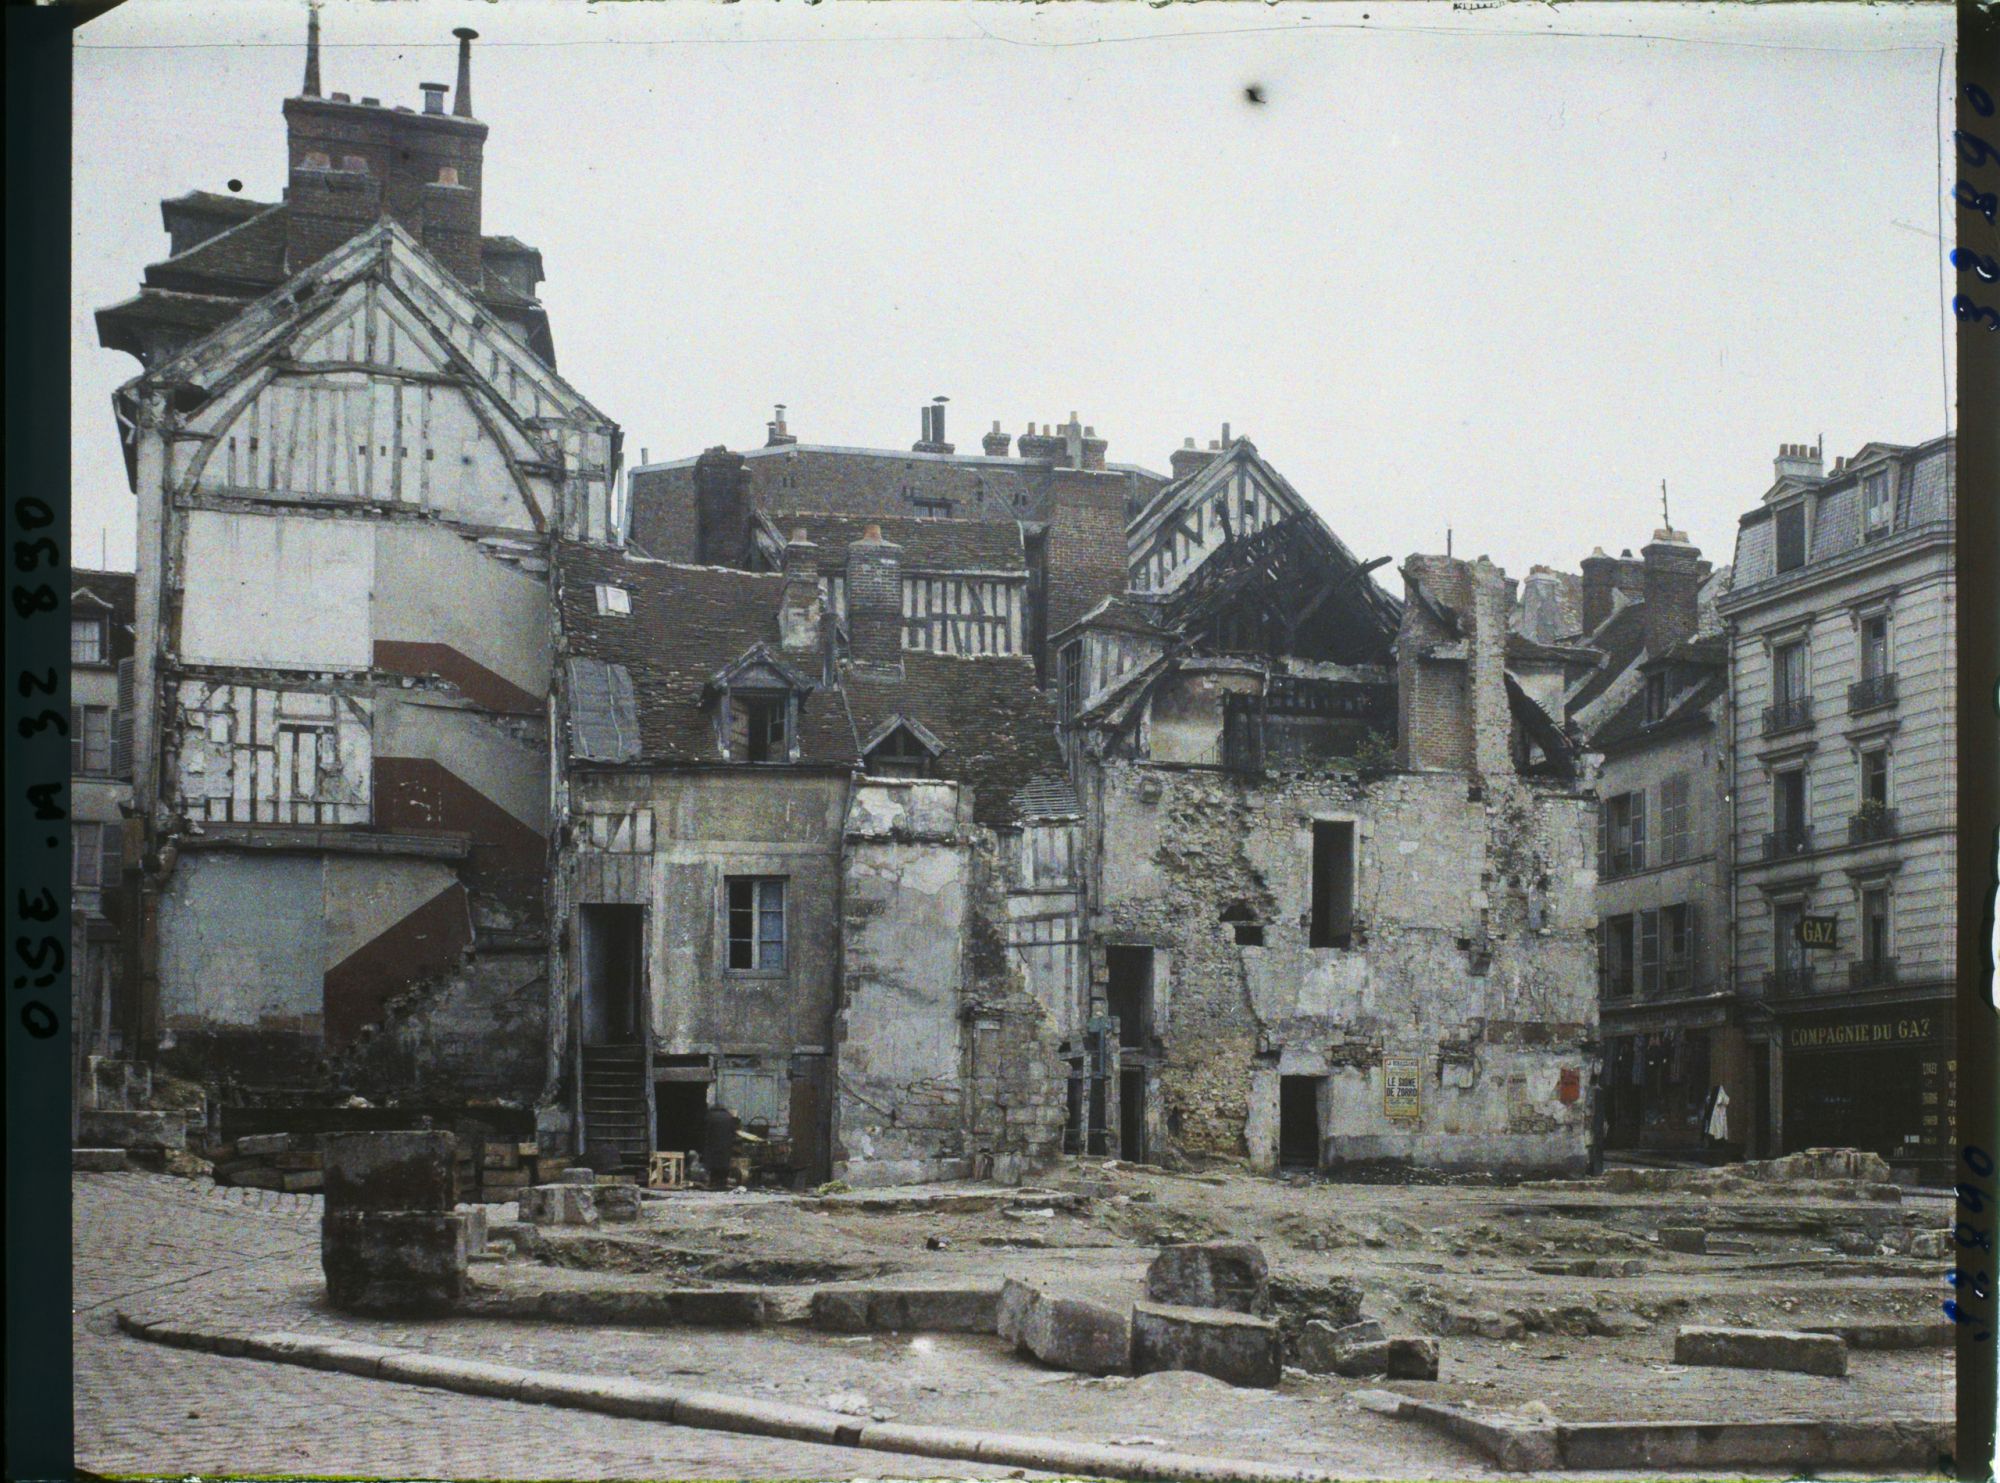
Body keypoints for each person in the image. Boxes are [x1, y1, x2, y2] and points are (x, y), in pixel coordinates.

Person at [703, 1101, 739, 1190]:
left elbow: (706, 1130)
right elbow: (734, 1130)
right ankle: (722, 1181)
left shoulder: (710, 1116)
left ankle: (713, 1182)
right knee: (723, 1163)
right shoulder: (728, 1116)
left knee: (713, 1163)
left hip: (713, 1143)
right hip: (726, 1144)